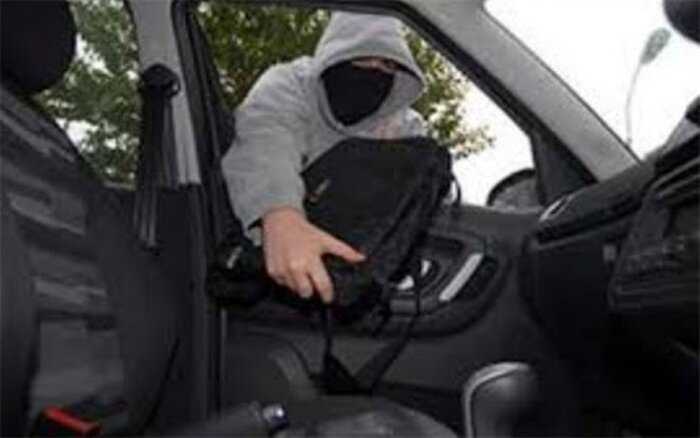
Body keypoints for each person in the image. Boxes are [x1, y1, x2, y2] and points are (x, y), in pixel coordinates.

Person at [222, 12, 427, 304]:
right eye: (362, 58)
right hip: (269, 268)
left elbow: (424, 195)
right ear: (337, 53)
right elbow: (266, 136)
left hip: (356, 278)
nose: (374, 73)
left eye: (387, 64)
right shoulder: (290, 84)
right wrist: (281, 216)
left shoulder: (404, 125)